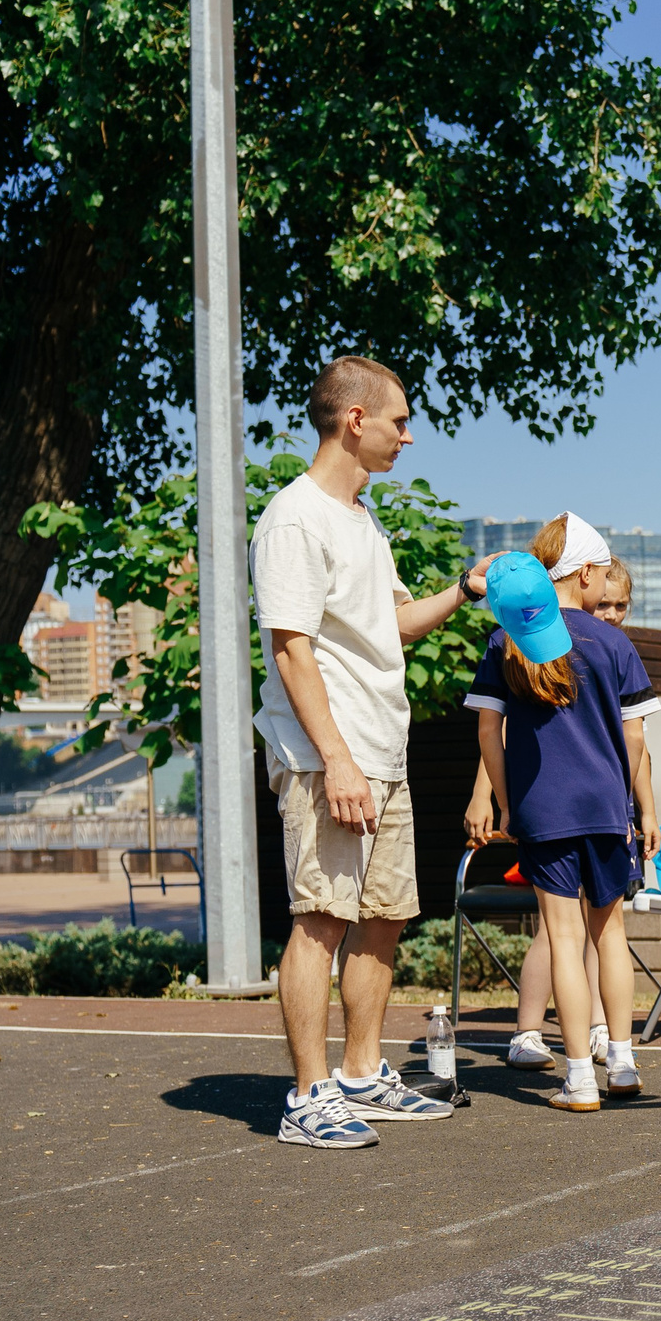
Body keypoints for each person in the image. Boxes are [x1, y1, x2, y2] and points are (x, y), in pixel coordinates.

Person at [252, 355, 491, 1147]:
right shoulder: (294, 518)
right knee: (320, 917)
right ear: (356, 420)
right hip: (330, 757)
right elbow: (292, 651)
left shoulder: (362, 521)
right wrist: (337, 759)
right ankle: (307, 1094)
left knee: (384, 918)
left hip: (385, 751)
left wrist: (465, 587)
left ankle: (359, 1074)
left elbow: (393, 623)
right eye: (399, 420)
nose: (408, 435)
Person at [471, 521, 660, 1111]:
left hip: (543, 810)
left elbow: (487, 729)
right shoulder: (615, 643)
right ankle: (623, 1063)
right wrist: (637, 806)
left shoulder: (508, 641)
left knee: (563, 939)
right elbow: (634, 741)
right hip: (606, 808)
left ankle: (579, 1078)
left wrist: (504, 801)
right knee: (610, 936)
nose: (606, 585)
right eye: (604, 573)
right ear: (584, 574)